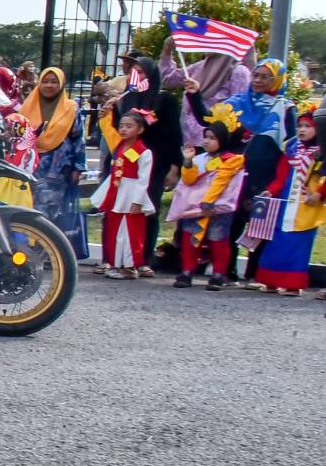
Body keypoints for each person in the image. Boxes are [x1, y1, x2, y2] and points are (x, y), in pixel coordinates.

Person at [184, 58, 295, 283]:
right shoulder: (236, 103)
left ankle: (255, 274)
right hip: (234, 173)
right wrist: (194, 95)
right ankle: (227, 271)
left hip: (266, 174)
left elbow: (291, 144)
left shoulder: (285, 108)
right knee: (230, 222)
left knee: (261, 223)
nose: (258, 80)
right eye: (256, 75)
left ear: (278, 80)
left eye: (266, 77)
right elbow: (208, 120)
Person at [102, 54, 182, 264]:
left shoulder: (164, 99)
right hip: (126, 164)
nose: (135, 75)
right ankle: (116, 258)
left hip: (155, 162)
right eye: (132, 71)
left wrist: (175, 167)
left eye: (141, 71)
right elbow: (121, 130)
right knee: (118, 210)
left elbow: (174, 134)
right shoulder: (126, 98)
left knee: (148, 210)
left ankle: (143, 258)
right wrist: (112, 111)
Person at [17, 68, 89, 260]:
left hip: (59, 168)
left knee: (51, 209)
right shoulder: (28, 106)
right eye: (46, 81)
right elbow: (18, 136)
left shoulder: (71, 107)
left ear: (62, 84)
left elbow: (78, 139)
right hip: (31, 165)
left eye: (54, 81)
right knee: (29, 207)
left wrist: (78, 167)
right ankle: (28, 251)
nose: (49, 85)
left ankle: (49, 253)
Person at [250, 112, 325, 296]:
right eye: (300, 126)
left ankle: (293, 284)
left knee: (299, 243)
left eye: (308, 126)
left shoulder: (322, 150)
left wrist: (319, 194)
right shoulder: (291, 148)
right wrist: (271, 190)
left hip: (307, 205)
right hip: (284, 202)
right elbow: (281, 176)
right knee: (276, 242)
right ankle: (270, 281)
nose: (302, 130)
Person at [167, 119, 245, 290]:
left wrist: (209, 202)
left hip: (218, 208)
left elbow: (221, 181)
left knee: (218, 240)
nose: (207, 141)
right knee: (190, 238)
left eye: (212, 138)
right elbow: (189, 180)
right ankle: (187, 271)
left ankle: (218, 274)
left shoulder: (233, 160)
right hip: (196, 208)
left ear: (223, 140)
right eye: (206, 137)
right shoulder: (199, 159)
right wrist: (187, 162)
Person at [90, 110, 155, 280]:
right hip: (117, 192)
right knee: (115, 230)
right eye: (121, 126)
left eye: (129, 126)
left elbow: (143, 179)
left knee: (130, 232)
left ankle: (130, 266)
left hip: (131, 193)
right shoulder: (119, 146)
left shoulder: (144, 152)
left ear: (140, 130)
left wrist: (137, 200)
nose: (124, 129)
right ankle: (116, 264)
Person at [159, 38, 254, 147]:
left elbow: (239, 111)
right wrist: (167, 50)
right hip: (188, 142)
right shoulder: (200, 67)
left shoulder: (239, 72)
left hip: (217, 144)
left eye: (212, 40)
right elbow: (167, 80)